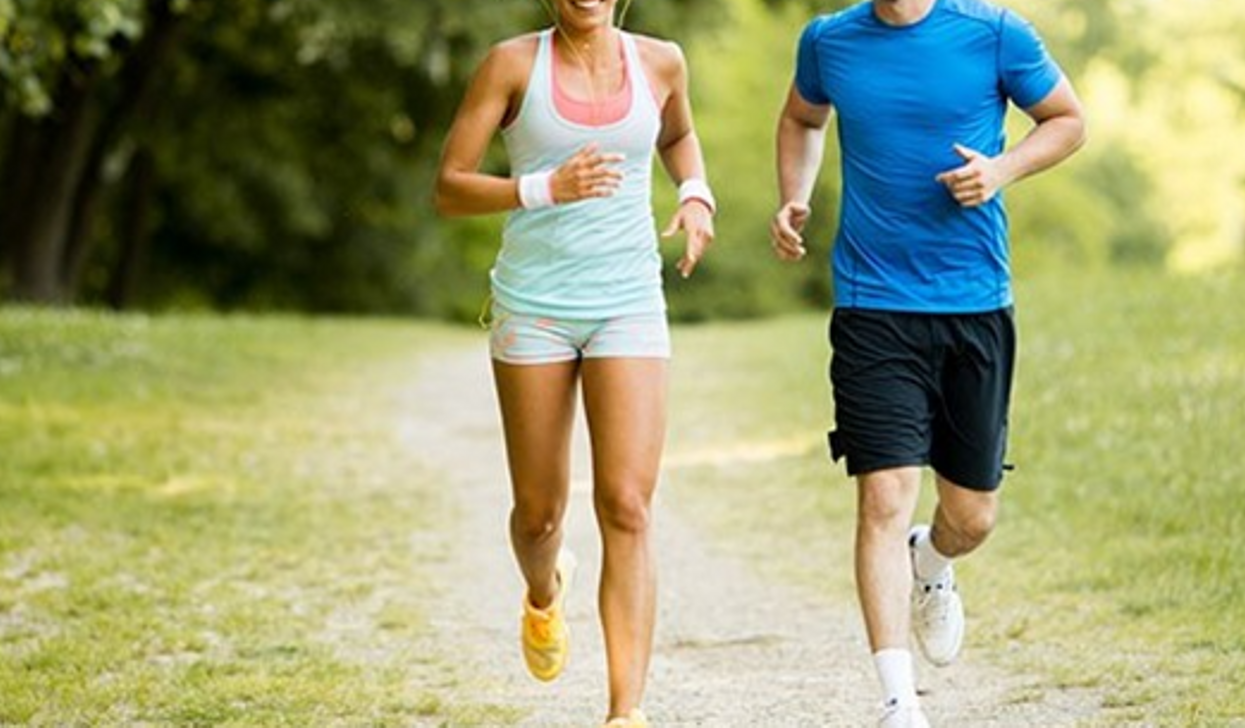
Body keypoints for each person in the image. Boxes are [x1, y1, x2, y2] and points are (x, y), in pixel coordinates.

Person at [770, 0, 1084, 725]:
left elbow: (1068, 120)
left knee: (971, 517)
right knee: (884, 497)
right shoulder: (829, 41)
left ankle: (933, 561)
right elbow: (801, 119)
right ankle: (898, 703)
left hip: (973, 303)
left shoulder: (994, 34)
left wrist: (1002, 170)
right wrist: (794, 197)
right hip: (872, 305)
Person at [433, 0, 715, 724]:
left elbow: (679, 135)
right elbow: (450, 186)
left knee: (628, 505)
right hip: (534, 307)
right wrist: (544, 188)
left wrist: (695, 195)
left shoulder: (660, 62)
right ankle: (543, 592)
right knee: (538, 515)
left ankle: (626, 713)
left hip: (628, 302)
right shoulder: (511, 65)